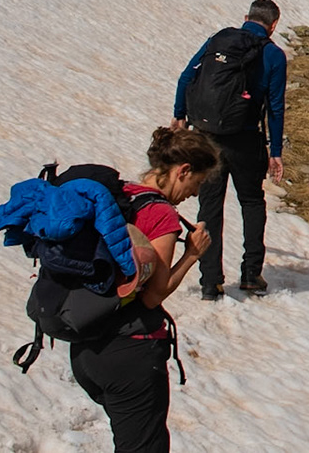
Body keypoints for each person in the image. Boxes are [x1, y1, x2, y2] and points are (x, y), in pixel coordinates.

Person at [70, 126, 219, 453]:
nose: (195, 193)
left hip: (87, 349)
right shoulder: (160, 214)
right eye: (197, 182)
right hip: (129, 353)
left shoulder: (121, 195)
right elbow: (153, 295)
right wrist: (192, 255)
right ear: (183, 171)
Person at [172, 0, 287, 299]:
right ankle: (251, 274)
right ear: (274, 25)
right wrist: (275, 151)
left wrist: (179, 115)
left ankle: (211, 282)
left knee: (210, 207)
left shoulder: (219, 40)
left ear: (246, 17)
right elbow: (275, 107)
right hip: (245, 138)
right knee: (251, 201)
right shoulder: (274, 55)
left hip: (207, 136)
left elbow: (186, 77)